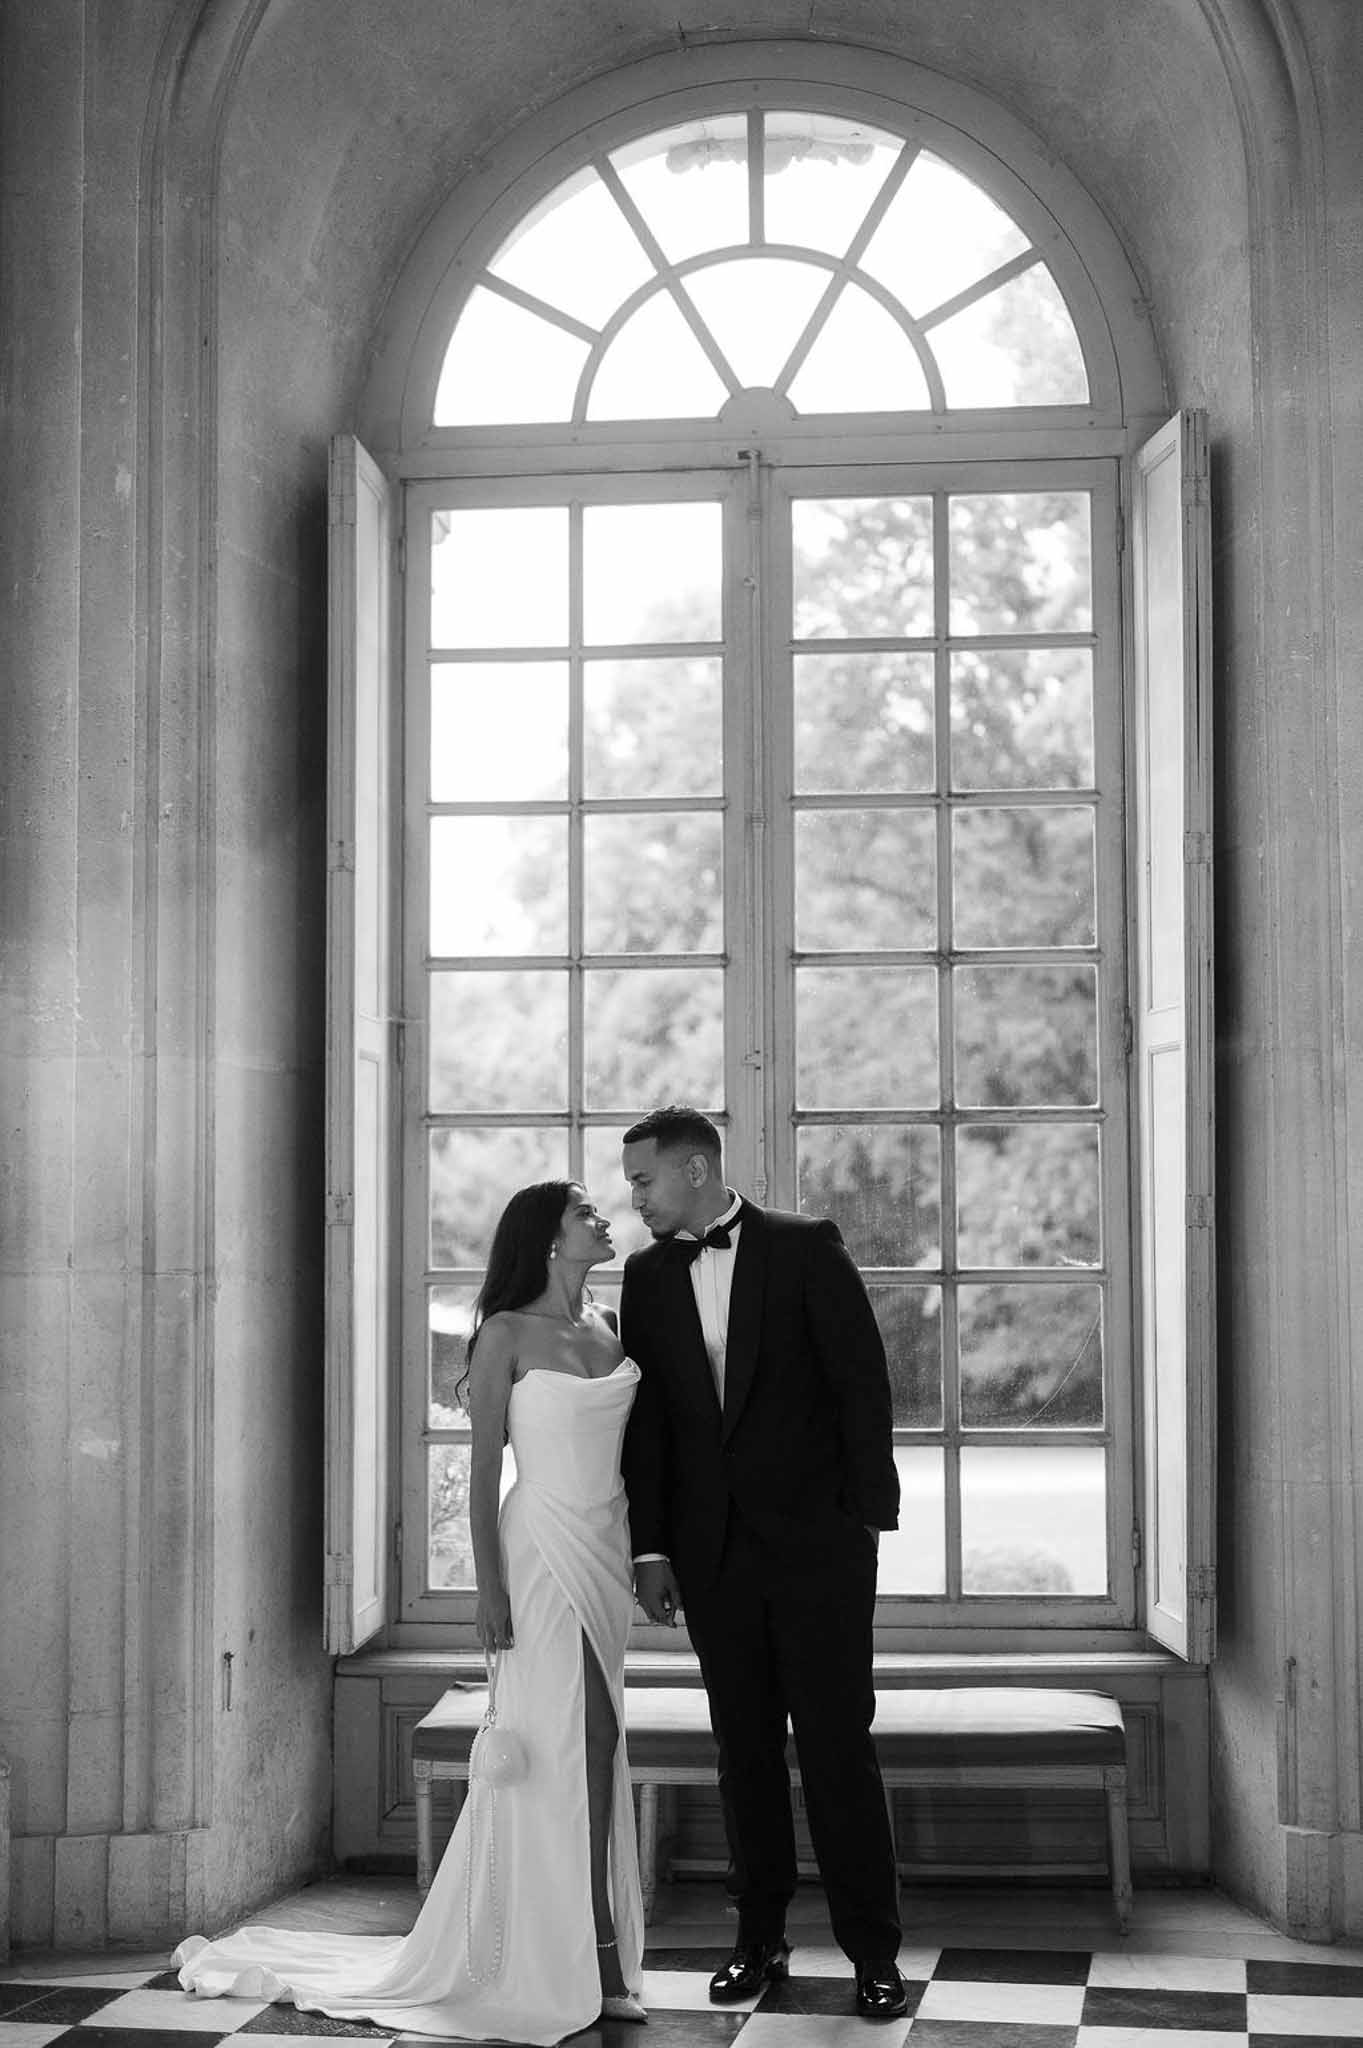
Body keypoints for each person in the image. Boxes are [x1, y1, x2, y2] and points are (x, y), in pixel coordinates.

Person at [175, 1181, 646, 2045]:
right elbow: (484, 1472)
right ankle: (592, 1955)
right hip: (539, 1549)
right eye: (585, 1212)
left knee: (596, 1739)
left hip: (605, 1544)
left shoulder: (609, 1325)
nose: (603, 1220)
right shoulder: (505, 1334)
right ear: (547, 1237)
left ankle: (584, 1947)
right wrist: (489, 1589)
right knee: (573, 1740)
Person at [619, 1106, 907, 2020]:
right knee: (741, 1752)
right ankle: (757, 1939)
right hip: (710, 1556)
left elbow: (861, 1383)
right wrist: (652, 1548)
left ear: (694, 1169)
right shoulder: (645, 1275)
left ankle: (873, 1953)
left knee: (835, 1749)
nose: (635, 1199)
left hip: (821, 1551)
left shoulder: (804, 1245)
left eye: (643, 1181)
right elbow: (649, 1425)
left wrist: (864, 1525)